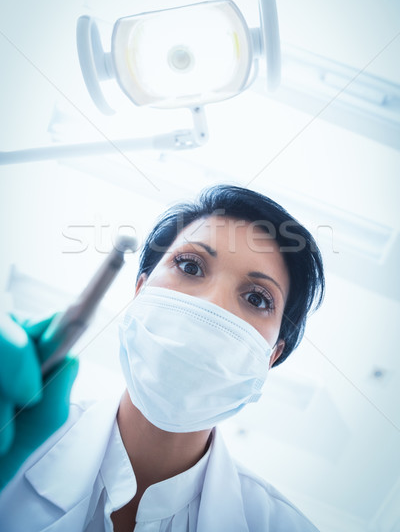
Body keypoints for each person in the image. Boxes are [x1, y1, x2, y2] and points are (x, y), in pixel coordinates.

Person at [0, 184, 324, 531]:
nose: (211, 303)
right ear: (140, 291)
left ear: (272, 355)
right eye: (189, 265)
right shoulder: (14, 444)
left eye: (258, 299)